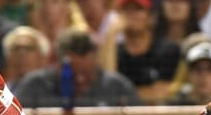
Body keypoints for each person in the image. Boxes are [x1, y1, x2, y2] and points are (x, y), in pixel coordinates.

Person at [13, 28, 142, 108]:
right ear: (57, 63)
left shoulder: (117, 87)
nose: (79, 81)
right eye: (72, 75)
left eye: (85, 75)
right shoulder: (36, 84)